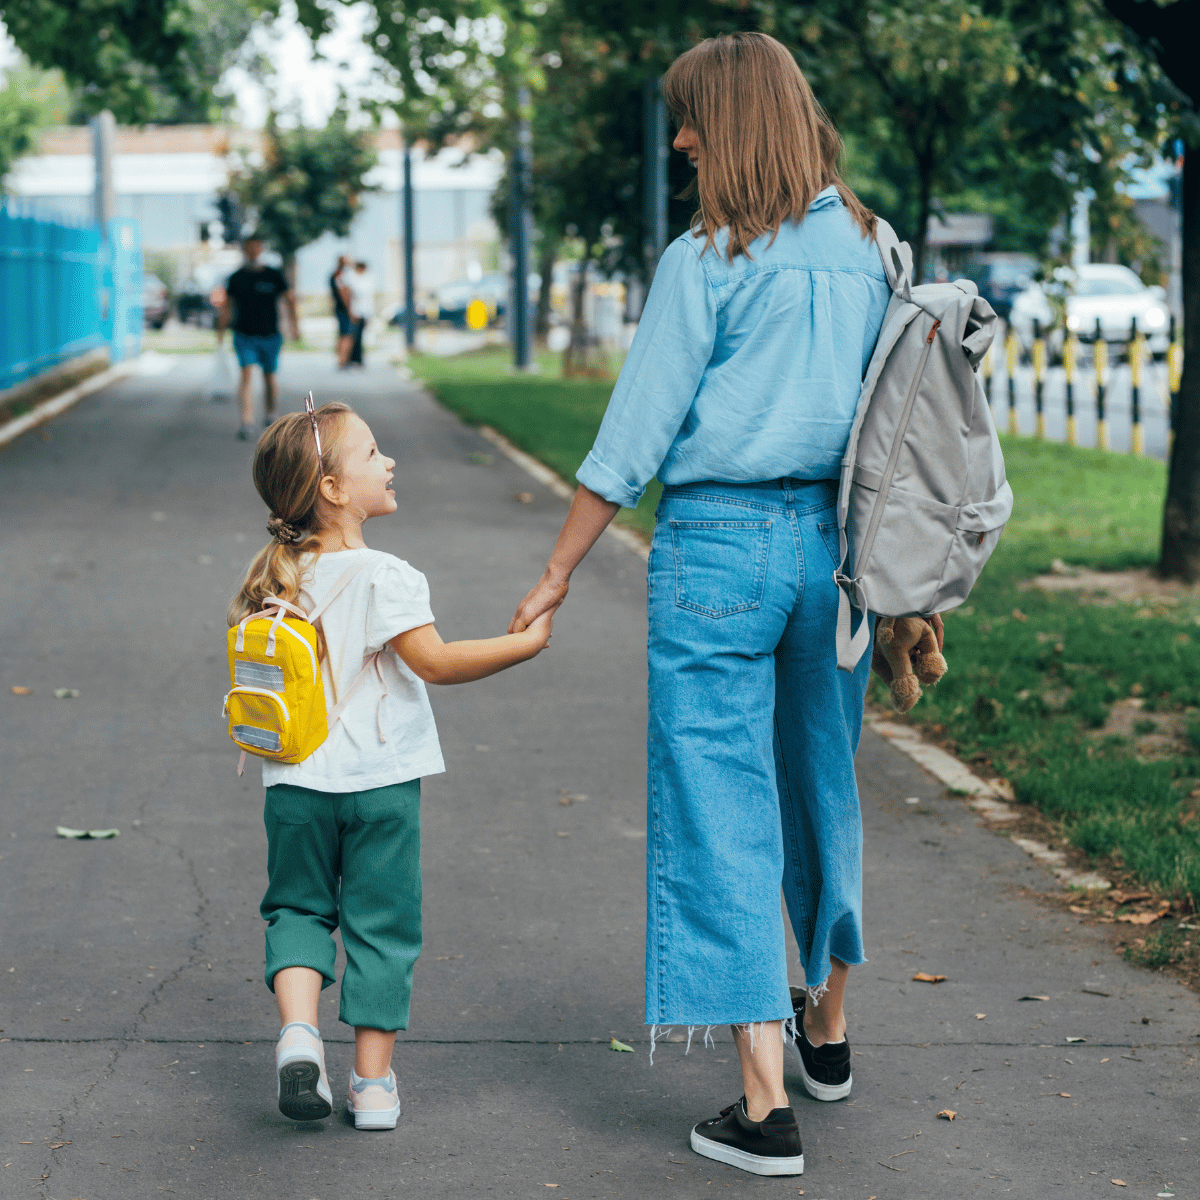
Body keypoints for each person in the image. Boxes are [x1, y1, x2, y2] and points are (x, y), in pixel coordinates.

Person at [510, 32, 941, 1178]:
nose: (683, 139)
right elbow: (895, 425)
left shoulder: (707, 258)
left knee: (718, 800)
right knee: (821, 779)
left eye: (692, 117)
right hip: (836, 555)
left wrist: (556, 572)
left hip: (715, 549)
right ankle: (827, 1029)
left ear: (735, 122)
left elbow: (631, 440)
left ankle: (763, 1107)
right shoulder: (874, 248)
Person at [228, 401, 553, 1129]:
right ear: (334, 489)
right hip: (381, 787)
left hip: (295, 783)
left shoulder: (276, 576)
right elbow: (434, 662)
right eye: (373, 453)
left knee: (298, 908)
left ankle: (299, 1036)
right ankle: (372, 1086)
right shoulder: (386, 575)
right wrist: (525, 645)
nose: (390, 461)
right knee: (382, 925)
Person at [217, 233, 299, 440]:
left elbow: (289, 299)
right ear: (245, 249)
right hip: (244, 335)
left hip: (270, 334)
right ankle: (246, 421)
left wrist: (294, 325)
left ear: (261, 249)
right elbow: (227, 307)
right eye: (249, 247)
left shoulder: (274, 275)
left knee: (269, 376)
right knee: (245, 374)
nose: (253, 250)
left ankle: (271, 415)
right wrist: (220, 331)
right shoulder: (236, 278)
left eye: (257, 246)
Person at [347, 260, 374, 367]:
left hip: (364, 312)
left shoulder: (366, 280)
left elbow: (368, 299)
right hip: (355, 312)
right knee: (354, 336)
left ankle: (358, 359)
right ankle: (351, 358)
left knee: (360, 336)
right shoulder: (352, 279)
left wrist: (369, 315)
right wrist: (351, 312)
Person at [330, 255, 354, 368]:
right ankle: (343, 360)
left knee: (342, 334)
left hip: (339, 307)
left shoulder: (336, 274)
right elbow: (344, 293)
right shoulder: (340, 274)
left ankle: (341, 359)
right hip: (344, 309)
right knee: (347, 335)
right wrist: (350, 310)